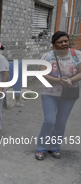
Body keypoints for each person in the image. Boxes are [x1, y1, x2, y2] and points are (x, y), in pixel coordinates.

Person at [36, 31, 81, 160]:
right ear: (53, 44)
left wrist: (71, 80)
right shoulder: (47, 56)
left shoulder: (77, 55)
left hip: (69, 94)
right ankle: (41, 148)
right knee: (50, 120)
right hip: (49, 93)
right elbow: (42, 74)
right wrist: (59, 81)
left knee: (61, 122)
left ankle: (55, 147)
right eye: (60, 42)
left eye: (66, 41)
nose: (64, 44)